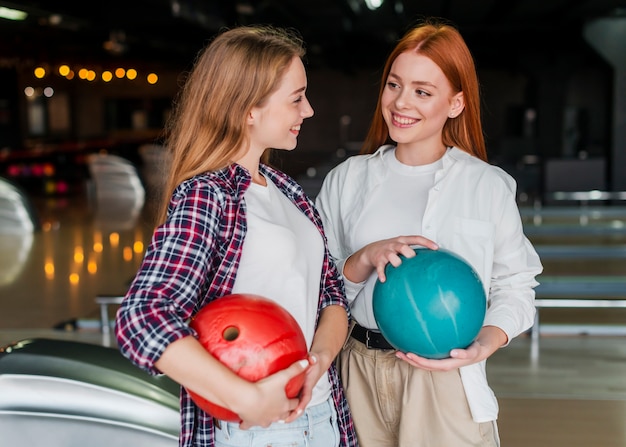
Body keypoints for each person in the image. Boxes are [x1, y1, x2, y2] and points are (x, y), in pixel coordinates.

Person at [115, 25, 358, 447]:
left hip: (324, 415)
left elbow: (331, 297)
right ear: (249, 109)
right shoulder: (207, 195)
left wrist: (317, 362)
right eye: (297, 98)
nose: (310, 110)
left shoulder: (288, 191)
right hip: (257, 433)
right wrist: (245, 398)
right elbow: (142, 316)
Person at [315, 18, 543, 447]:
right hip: (356, 370)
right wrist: (362, 260)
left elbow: (516, 285)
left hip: (444, 378)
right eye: (394, 85)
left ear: (455, 103)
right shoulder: (347, 179)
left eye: (423, 91)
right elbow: (316, 284)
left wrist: (484, 345)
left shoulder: (486, 185)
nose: (402, 102)